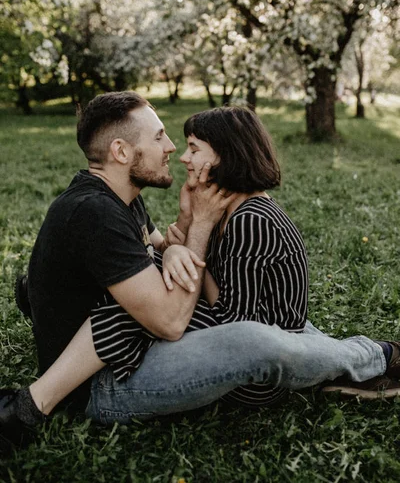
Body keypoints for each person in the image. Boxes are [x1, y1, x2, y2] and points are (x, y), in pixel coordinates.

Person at [1, 93, 400, 451]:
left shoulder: (121, 199)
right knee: (253, 340)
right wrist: (200, 230)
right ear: (121, 152)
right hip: (104, 383)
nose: (172, 147)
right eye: (158, 137)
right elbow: (172, 321)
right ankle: (374, 355)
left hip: (126, 349)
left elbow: (162, 248)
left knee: (271, 325)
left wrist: (176, 247)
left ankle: (337, 359)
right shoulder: (96, 214)